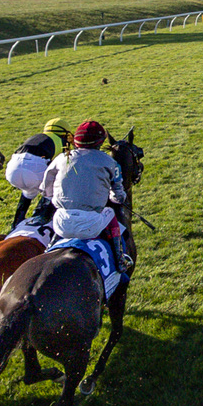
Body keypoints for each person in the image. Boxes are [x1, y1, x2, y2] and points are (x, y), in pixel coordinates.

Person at [38, 119, 131, 285]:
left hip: (60, 222)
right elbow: (118, 197)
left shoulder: (61, 158)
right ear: (100, 142)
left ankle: (49, 247)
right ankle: (119, 258)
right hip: (91, 225)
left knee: (63, 213)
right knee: (109, 212)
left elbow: (45, 188)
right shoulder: (110, 162)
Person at [3, 118, 70, 229]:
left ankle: (16, 222)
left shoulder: (37, 136)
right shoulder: (61, 142)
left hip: (12, 170)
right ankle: (41, 216)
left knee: (28, 191)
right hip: (35, 168)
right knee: (55, 186)